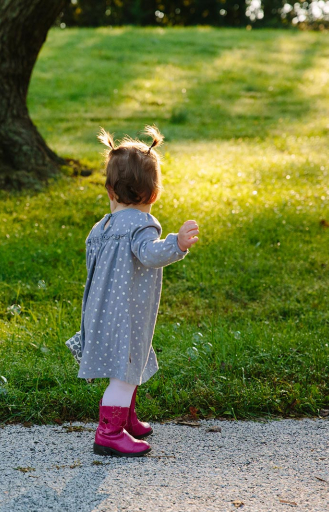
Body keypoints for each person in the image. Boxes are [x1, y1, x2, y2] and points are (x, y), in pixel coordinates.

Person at [79, 126, 199, 457]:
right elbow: (150, 253)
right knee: (125, 370)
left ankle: (127, 418)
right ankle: (109, 432)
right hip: (127, 312)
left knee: (128, 364)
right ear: (154, 194)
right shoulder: (143, 225)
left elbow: (92, 266)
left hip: (98, 311)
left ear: (109, 190)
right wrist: (176, 243)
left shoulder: (99, 228)